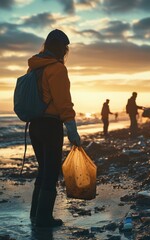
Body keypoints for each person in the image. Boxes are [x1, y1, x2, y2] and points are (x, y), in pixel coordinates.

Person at [28, 29, 81, 228]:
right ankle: (43, 219)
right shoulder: (57, 69)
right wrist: (72, 129)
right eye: (65, 48)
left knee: (43, 170)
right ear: (62, 49)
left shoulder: (34, 67)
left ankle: (35, 214)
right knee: (50, 172)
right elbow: (63, 102)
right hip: (51, 125)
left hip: (34, 125)